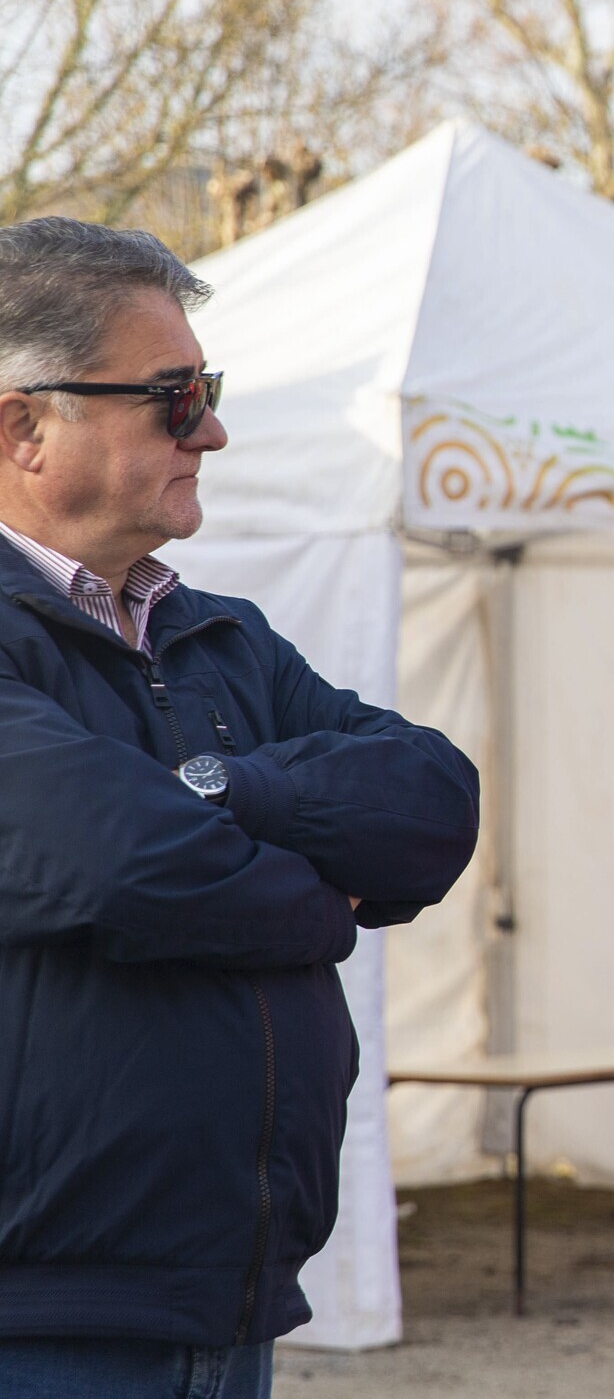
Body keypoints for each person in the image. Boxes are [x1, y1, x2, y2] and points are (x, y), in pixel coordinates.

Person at [0, 220, 481, 1396]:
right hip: (41, 1318)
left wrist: (229, 788)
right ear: (22, 427)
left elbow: (434, 801)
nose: (211, 429)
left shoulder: (222, 638)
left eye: (206, 392)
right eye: (176, 397)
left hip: (231, 1298)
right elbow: (125, 864)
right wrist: (326, 902)